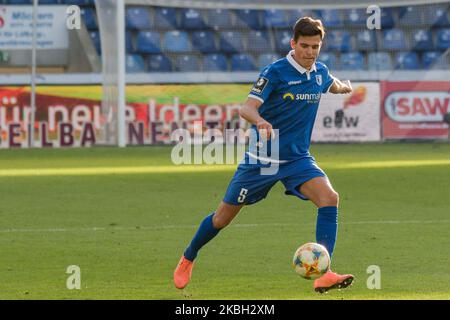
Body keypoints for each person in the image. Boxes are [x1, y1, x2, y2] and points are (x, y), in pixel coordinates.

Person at [174, 17, 354, 293]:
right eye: (304, 46)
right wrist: (260, 121)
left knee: (330, 198)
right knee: (222, 218)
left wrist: (343, 87)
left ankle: (324, 272)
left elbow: (331, 83)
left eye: (315, 47)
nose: (309, 52)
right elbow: (246, 108)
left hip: (297, 159)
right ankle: (188, 256)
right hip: (263, 159)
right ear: (293, 44)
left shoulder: (320, 72)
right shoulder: (275, 72)